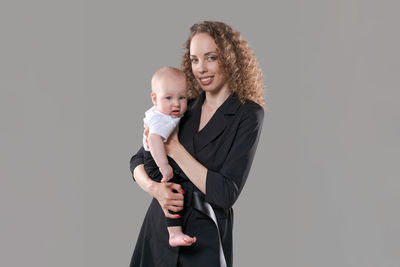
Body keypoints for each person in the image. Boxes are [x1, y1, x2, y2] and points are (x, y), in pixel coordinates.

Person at [129, 21, 265, 267]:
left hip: (204, 238)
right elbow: (138, 159)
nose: (201, 69)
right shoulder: (182, 104)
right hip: (160, 232)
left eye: (210, 58)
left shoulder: (248, 114)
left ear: (230, 58)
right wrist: (154, 189)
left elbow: (225, 193)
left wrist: (176, 151)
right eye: (194, 60)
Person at [141, 66, 196, 247]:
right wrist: (164, 166)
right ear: (155, 99)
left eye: (182, 97)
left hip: (157, 158)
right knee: (173, 193)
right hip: (155, 162)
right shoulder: (161, 119)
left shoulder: (163, 112)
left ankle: (175, 232)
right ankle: (174, 233)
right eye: (169, 98)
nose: (176, 104)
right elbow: (154, 139)